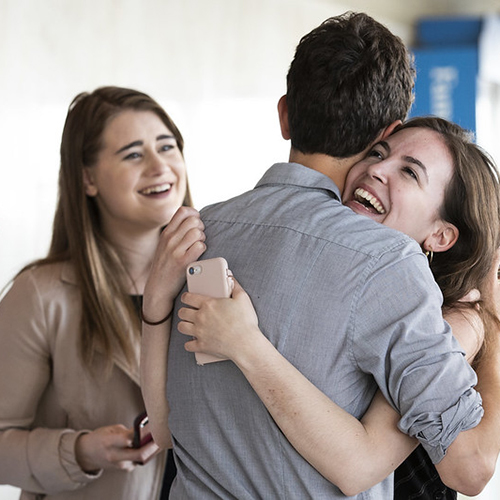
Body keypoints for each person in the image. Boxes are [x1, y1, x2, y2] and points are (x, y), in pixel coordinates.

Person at [141, 12, 499, 499]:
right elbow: (461, 467)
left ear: (285, 114)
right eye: (382, 154)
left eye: (409, 171)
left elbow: (165, 431)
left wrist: (156, 309)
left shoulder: (201, 232)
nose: (379, 171)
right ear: (381, 135)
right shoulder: (391, 269)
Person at [0, 86, 205, 500]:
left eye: (167, 146)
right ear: (88, 179)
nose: (159, 165)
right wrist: (80, 452)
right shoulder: (40, 296)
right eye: (133, 154)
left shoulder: (215, 280)